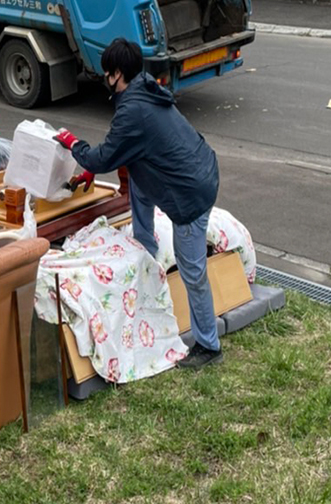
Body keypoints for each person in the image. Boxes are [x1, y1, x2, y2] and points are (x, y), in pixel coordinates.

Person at [55, 37, 222, 370]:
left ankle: (209, 345)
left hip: (190, 194)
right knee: (139, 183)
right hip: (201, 167)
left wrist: (75, 146)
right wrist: (91, 168)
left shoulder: (133, 109)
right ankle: (146, 244)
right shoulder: (144, 87)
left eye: (107, 73)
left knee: (193, 272)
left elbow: (106, 154)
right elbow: (129, 149)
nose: (105, 79)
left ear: (117, 73)